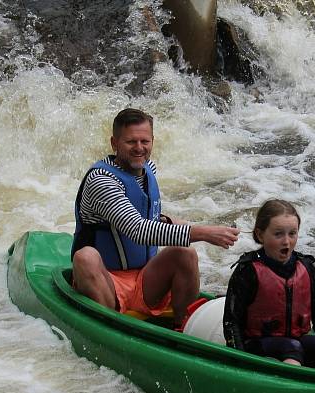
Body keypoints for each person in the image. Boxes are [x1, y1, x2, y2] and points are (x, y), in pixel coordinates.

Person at [71, 108, 239, 327]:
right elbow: (139, 230)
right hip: (106, 280)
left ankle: (182, 326)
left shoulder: (148, 169)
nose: (139, 148)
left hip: (143, 278)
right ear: (114, 143)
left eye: (145, 141)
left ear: (153, 141)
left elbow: (153, 218)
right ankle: (109, 328)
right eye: (131, 142)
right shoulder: (101, 180)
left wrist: (209, 228)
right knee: (85, 257)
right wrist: (204, 234)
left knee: (185, 253)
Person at [223, 199, 315, 372]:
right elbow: (231, 322)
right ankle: (294, 389)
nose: (286, 242)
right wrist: (239, 362)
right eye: (278, 234)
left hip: (295, 342)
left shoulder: (307, 268)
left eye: (292, 234)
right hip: (256, 346)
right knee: (291, 347)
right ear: (260, 235)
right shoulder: (247, 271)